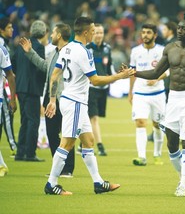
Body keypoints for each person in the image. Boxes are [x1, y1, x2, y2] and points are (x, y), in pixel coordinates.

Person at [125, 13, 185, 196]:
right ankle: (183, 175)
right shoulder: (169, 49)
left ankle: (182, 184)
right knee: (172, 145)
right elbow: (155, 72)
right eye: (179, 27)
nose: (179, 30)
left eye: (183, 28)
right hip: (173, 98)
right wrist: (134, 73)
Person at [44, 16, 132, 195]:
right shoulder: (84, 52)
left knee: (88, 141)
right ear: (85, 32)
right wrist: (119, 76)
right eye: (92, 31)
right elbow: (96, 80)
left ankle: (98, 183)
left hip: (72, 101)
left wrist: (53, 100)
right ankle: (51, 184)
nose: (94, 34)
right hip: (75, 102)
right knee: (67, 143)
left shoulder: (66, 48)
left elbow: (54, 76)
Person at [19, 23, 75, 177]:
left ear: (59, 35)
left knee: (67, 134)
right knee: (51, 133)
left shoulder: (71, 52)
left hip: (65, 98)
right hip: (50, 99)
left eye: (53, 33)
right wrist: (30, 53)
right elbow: (45, 67)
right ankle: (58, 168)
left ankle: (68, 169)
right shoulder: (52, 53)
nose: (50, 35)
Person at [128, 23, 166, 166]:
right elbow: (132, 73)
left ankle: (157, 154)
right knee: (140, 122)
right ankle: (142, 157)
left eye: (148, 32)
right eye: (143, 32)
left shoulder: (163, 51)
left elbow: (168, 71)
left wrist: (157, 78)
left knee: (157, 124)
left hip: (158, 94)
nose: (145, 35)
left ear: (155, 35)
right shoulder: (135, 51)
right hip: (140, 93)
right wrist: (130, 92)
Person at [78, 23, 115, 156]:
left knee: (90, 118)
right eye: (96, 32)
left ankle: (81, 143)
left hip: (103, 88)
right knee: (94, 118)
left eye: (101, 33)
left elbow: (110, 67)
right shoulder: (86, 49)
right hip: (91, 88)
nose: (99, 35)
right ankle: (100, 146)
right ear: (92, 33)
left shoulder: (107, 48)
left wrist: (116, 76)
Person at [12, 20, 47, 162]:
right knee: (33, 121)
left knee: (25, 120)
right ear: (44, 33)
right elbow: (41, 66)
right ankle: (30, 153)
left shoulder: (21, 45)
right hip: (32, 88)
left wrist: (20, 77)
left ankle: (20, 152)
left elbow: (12, 64)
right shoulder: (38, 46)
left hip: (20, 88)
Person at [147, 21, 177, 143]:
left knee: (169, 108)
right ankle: (157, 131)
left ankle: (171, 132)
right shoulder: (168, 42)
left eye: (164, 29)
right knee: (168, 108)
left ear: (170, 30)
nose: (162, 32)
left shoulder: (172, 43)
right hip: (169, 79)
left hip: (171, 79)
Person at [0, 17, 17, 156]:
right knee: (6, 114)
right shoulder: (2, 47)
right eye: (9, 27)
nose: (12, 30)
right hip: (2, 88)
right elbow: (10, 74)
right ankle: (13, 144)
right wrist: (12, 99)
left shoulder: (5, 45)